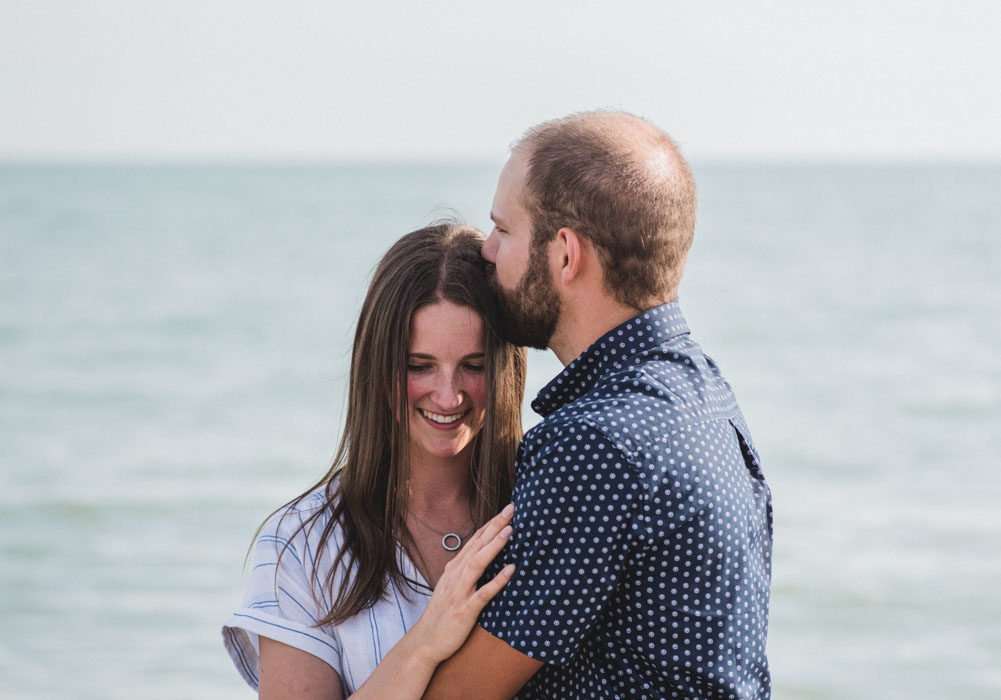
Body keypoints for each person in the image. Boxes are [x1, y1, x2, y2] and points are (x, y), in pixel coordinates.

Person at [423, 111, 773, 699]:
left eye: (504, 230)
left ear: (565, 254)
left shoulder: (596, 442)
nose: (486, 251)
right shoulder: (704, 397)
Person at [222, 222, 527, 698]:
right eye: (418, 366)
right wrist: (425, 643)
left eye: (474, 365)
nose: (448, 396)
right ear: (377, 367)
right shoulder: (301, 547)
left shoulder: (551, 506)